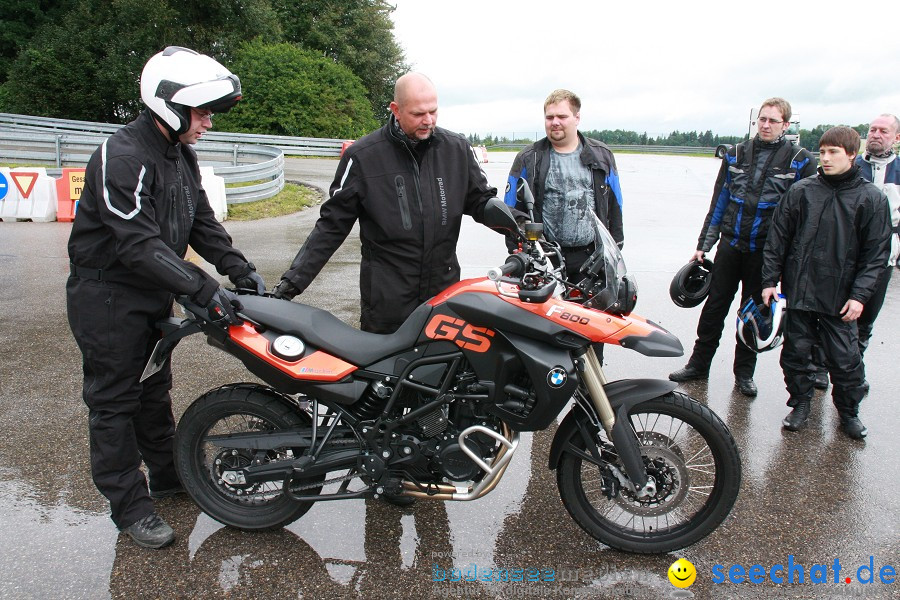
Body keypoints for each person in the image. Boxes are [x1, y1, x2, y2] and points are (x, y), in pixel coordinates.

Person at [67, 46, 265, 549]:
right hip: (108, 296)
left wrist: (238, 269)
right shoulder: (123, 155)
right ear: (168, 105)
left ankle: (168, 477)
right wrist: (203, 288)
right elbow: (136, 243)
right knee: (114, 401)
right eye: (201, 113)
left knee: (153, 391)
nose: (208, 123)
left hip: (157, 290)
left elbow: (200, 219)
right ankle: (129, 508)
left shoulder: (181, 154)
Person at [273, 72, 499, 335]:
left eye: (433, 111)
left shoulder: (456, 149)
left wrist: (519, 226)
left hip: (443, 297)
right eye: (418, 114)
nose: (428, 121)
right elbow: (331, 227)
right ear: (396, 110)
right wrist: (291, 284)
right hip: (387, 303)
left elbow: (481, 201)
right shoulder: (363, 157)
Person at [669, 98, 817, 397]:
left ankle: (744, 374)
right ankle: (699, 364)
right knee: (713, 308)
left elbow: (803, 216)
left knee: (751, 313)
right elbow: (719, 202)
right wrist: (704, 245)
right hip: (730, 246)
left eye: (773, 121)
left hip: (765, 253)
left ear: (785, 125)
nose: (765, 125)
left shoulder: (799, 160)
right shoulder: (736, 154)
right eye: (762, 119)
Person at [761, 126, 890, 439]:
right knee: (794, 355)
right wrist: (769, 280)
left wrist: (859, 295)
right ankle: (801, 403)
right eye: (823, 151)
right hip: (801, 290)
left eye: (834, 152)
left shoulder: (871, 199)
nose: (826, 158)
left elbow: (876, 255)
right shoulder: (802, 191)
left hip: (840, 297)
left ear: (851, 154)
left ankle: (849, 414)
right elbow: (777, 237)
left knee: (846, 363)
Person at [811, 114, 900, 391]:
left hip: (882, 257)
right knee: (829, 314)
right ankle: (820, 370)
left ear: (896, 137)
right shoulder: (850, 166)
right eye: (872, 129)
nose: (875, 134)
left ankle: (852, 373)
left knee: (864, 320)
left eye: (883, 131)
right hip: (842, 254)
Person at [503, 89, 624, 283]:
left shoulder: (602, 156)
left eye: (562, 116)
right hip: (545, 258)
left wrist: (616, 247)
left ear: (577, 118)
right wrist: (522, 252)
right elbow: (510, 209)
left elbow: (615, 204)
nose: (555, 122)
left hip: (591, 259)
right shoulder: (528, 158)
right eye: (549, 117)